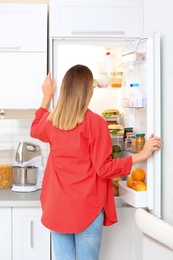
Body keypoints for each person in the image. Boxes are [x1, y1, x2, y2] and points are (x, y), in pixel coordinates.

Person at [30, 64, 162, 260]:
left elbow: (34, 129)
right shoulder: (95, 123)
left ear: (65, 90)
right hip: (87, 208)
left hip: (57, 207)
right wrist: (140, 155)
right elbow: (104, 169)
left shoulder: (50, 121)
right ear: (87, 91)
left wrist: (46, 97)